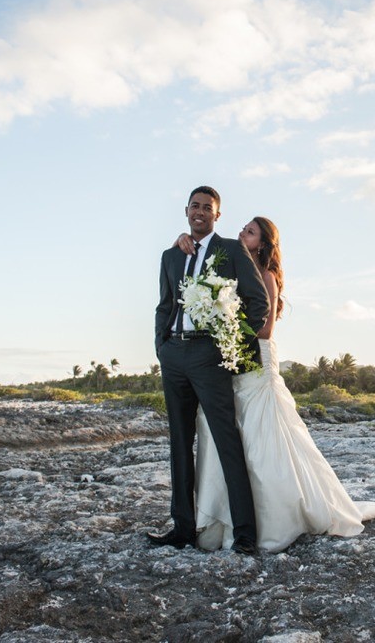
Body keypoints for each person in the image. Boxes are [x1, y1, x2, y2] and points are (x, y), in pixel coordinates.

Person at [184, 216, 375, 553]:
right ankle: (225, 516)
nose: (241, 233)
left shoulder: (266, 277)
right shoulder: (232, 272)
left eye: (249, 232)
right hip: (233, 359)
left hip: (257, 359)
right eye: (243, 229)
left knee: (262, 435)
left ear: (262, 243)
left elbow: (265, 330)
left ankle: (275, 518)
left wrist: (227, 327)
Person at [149, 186, 270, 555]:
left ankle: (245, 534)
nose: (200, 212)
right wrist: (161, 346)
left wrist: (226, 343)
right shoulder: (171, 255)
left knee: (226, 441)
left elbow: (258, 302)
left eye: (208, 208)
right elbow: (164, 305)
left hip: (209, 354)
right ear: (187, 211)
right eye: (195, 206)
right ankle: (183, 527)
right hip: (174, 355)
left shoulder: (230, 251)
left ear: (218, 215)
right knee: (180, 444)